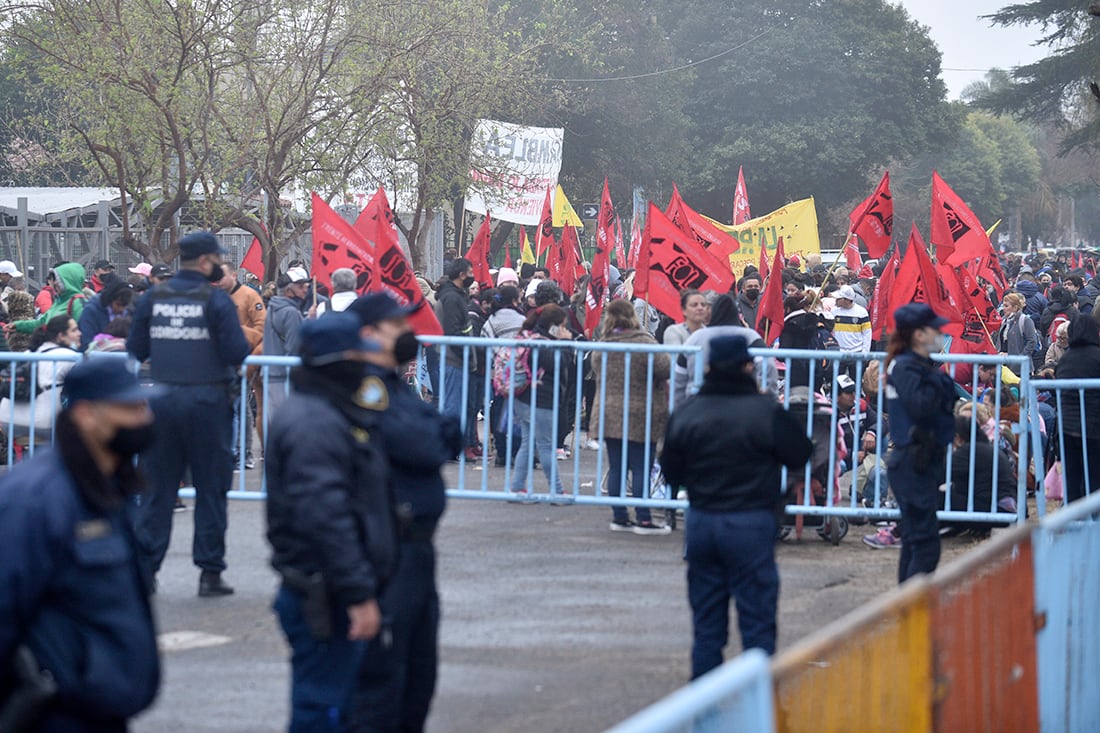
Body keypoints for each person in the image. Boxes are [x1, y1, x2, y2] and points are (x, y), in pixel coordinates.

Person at [0, 359, 161, 731]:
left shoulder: (108, 487)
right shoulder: (34, 500)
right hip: (54, 713)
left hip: (102, 710)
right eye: (130, 408)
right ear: (87, 415)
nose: (145, 418)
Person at [264, 313, 397, 732]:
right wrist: (357, 592)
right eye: (360, 355)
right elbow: (326, 517)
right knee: (323, 707)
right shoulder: (314, 424)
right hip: (325, 591)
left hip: (332, 586)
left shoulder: (327, 412)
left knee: (335, 700)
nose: (368, 365)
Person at [660, 335, 813, 676]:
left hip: (702, 521)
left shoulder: (688, 411)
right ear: (748, 367)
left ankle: (706, 713)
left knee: (707, 626)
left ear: (710, 366)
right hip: (750, 520)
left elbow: (670, 471)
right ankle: (756, 709)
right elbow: (801, 452)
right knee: (757, 622)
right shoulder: (765, 410)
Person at [347, 293, 462, 733]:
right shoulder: (366, 387)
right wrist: (437, 433)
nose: (408, 334)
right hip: (388, 549)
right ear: (369, 335)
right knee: (383, 688)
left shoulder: (394, 386)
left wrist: (439, 432)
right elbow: (427, 442)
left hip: (416, 553)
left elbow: (451, 430)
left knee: (419, 678)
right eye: (398, 327)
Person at [128, 231, 250, 596]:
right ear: (206, 261)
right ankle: (209, 574)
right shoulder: (216, 301)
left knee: (157, 490)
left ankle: (146, 571)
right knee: (211, 489)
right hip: (207, 403)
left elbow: (136, 347)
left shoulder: (153, 297)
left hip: (161, 401)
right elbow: (236, 352)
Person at [881, 303, 957, 583]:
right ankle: (912, 612)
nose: (939, 333)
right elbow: (921, 405)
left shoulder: (917, 366)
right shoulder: (906, 367)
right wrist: (939, 381)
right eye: (933, 329)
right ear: (918, 335)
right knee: (925, 545)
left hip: (920, 462)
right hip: (912, 463)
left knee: (916, 542)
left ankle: (908, 612)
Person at [593, 300, 671, 535]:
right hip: (641, 410)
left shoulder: (604, 344)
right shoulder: (644, 341)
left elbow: (596, 368)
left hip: (609, 411)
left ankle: (619, 516)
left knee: (616, 467)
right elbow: (665, 368)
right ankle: (644, 519)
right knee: (640, 468)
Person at [509, 304, 570, 497]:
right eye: (562, 326)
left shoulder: (529, 336)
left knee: (528, 444)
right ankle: (557, 491)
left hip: (524, 398)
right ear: (554, 326)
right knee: (545, 445)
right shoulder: (543, 344)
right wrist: (566, 343)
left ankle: (517, 487)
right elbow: (558, 364)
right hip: (541, 400)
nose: (565, 330)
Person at [220, 262, 266, 469]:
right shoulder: (215, 296)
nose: (219, 281)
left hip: (244, 359)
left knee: (241, 408)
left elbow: (261, 329)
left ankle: (243, 452)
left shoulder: (249, 296)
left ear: (234, 275)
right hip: (220, 362)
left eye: (222, 276)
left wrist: (236, 333)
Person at [1054, 314, 1100, 502]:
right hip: (1094, 427)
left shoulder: (1065, 358)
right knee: (1094, 480)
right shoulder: (1097, 356)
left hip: (1066, 428)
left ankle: (1074, 525)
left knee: (1072, 479)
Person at [481, 285, 525, 466]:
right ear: (515, 300)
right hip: (519, 373)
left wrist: (498, 359)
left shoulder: (491, 320)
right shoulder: (523, 319)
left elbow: (485, 341)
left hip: (497, 373)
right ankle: (515, 451)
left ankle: (500, 449)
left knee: (497, 409)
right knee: (517, 413)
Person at [264, 266, 314, 416]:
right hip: (284, 377)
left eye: (306, 286)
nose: (305, 290)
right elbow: (294, 347)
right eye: (300, 286)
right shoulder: (290, 312)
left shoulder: (273, 307)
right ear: (288, 291)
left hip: (272, 374)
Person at [433, 257, 474, 421]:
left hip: (457, 358)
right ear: (462, 275)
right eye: (470, 273)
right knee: (452, 407)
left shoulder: (457, 295)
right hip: (454, 359)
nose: (473, 276)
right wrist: (466, 354)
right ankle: (450, 445)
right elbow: (453, 330)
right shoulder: (451, 297)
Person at [7, 263, 87, 337]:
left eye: (59, 280)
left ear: (69, 281)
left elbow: (83, 332)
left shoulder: (78, 303)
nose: (55, 283)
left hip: (66, 351)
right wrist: (18, 325)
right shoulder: (59, 302)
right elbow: (41, 323)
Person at [77, 280, 134, 350]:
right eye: (118, 304)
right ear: (110, 299)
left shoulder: (126, 312)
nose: (121, 309)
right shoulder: (91, 311)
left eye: (124, 306)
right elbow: (86, 342)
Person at [832, 285, 872, 377]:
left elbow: (867, 333)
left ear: (846, 300)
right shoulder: (834, 311)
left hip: (856, 353)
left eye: (839, 298)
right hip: (839, 353)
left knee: (856, 382)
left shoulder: (861, 312)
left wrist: (865, 352)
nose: (836, 300)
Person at [997, 292, 1038, 374]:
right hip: (1005, 367)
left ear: (1015, 307)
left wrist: (1020, 357)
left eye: (1006, 306)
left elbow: (1032, 342)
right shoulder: (1004, 321)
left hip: (1021, 369)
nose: (1003, 308)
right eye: (1003, 305)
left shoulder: (1025, 320)